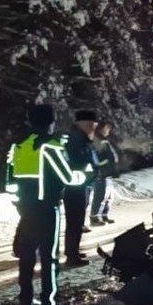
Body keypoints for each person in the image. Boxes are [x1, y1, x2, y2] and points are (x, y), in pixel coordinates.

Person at [6, 104, 86, 305]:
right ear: (50, 122)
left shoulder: (18, 146)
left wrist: (20, 204)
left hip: (26, 209)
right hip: (47, 207)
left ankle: (25, 297)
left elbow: (10, 182)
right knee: (50, 257)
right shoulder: (50, 146)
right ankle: (49, 302)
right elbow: (68, 177)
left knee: (27, 254)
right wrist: (85, 175)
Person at [61, 110, 97, 267]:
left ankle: (73, 251)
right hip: (75, 187)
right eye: (91, 124)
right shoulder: (77, 139)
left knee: (77, 222)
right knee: (74, 222)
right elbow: (78, 161)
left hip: (80, 185)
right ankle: (71, 255)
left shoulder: (80, 137)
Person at [90, 122, 120, 226]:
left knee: (108, 196)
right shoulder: (98, 139)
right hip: (102, 172)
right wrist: (104, 165)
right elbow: (98, 156)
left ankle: (103, 214)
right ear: (101, 128)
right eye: (107, 128)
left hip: (108, 172)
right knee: (100, 195)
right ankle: (95, 217)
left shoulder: (104, 139)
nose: (109, 130)